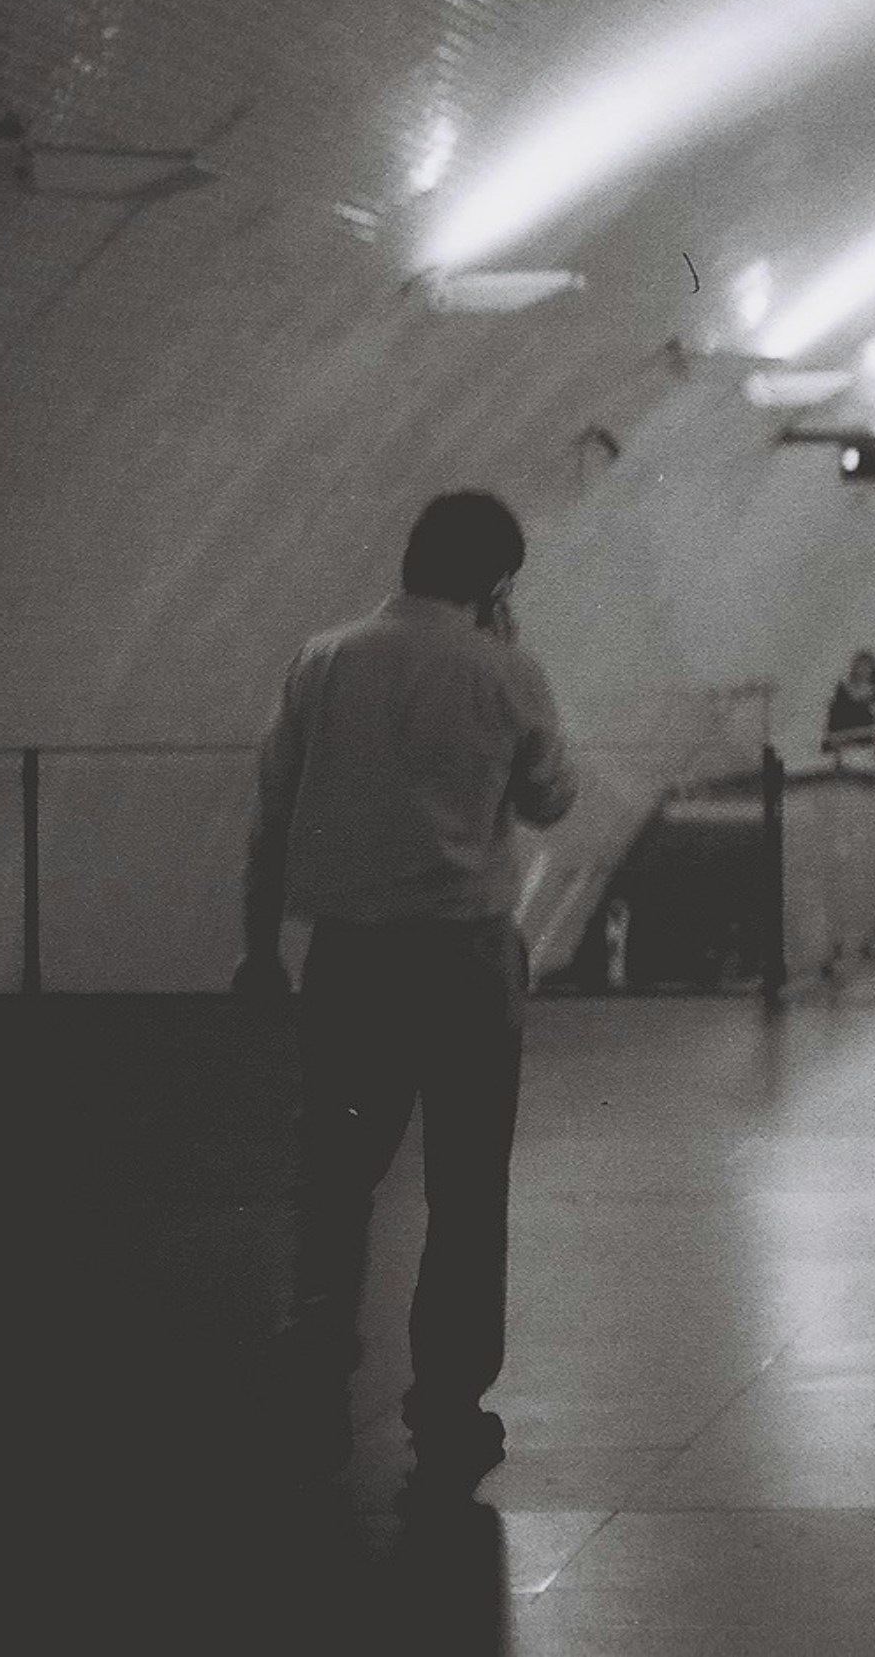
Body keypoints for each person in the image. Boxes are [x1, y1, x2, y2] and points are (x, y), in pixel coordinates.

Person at [235, 489, 578, 1503]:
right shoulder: (505, 670)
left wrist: (259, 949)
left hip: (349, 962)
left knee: (334, 1173)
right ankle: (446, 1403)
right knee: (467, 1188)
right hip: (465, 960)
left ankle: (315, 1367)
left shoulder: (324, 659)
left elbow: (272, 815)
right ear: (496, 580)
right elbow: (551, 796)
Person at [822, 649, 875, 766]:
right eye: (860, 665)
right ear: (854, 667)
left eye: (867, 666)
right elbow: (833, 714)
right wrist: (832, 736)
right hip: (843, 738)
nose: (863, 669)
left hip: (866, 739)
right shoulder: (843, 688)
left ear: (872, 669)